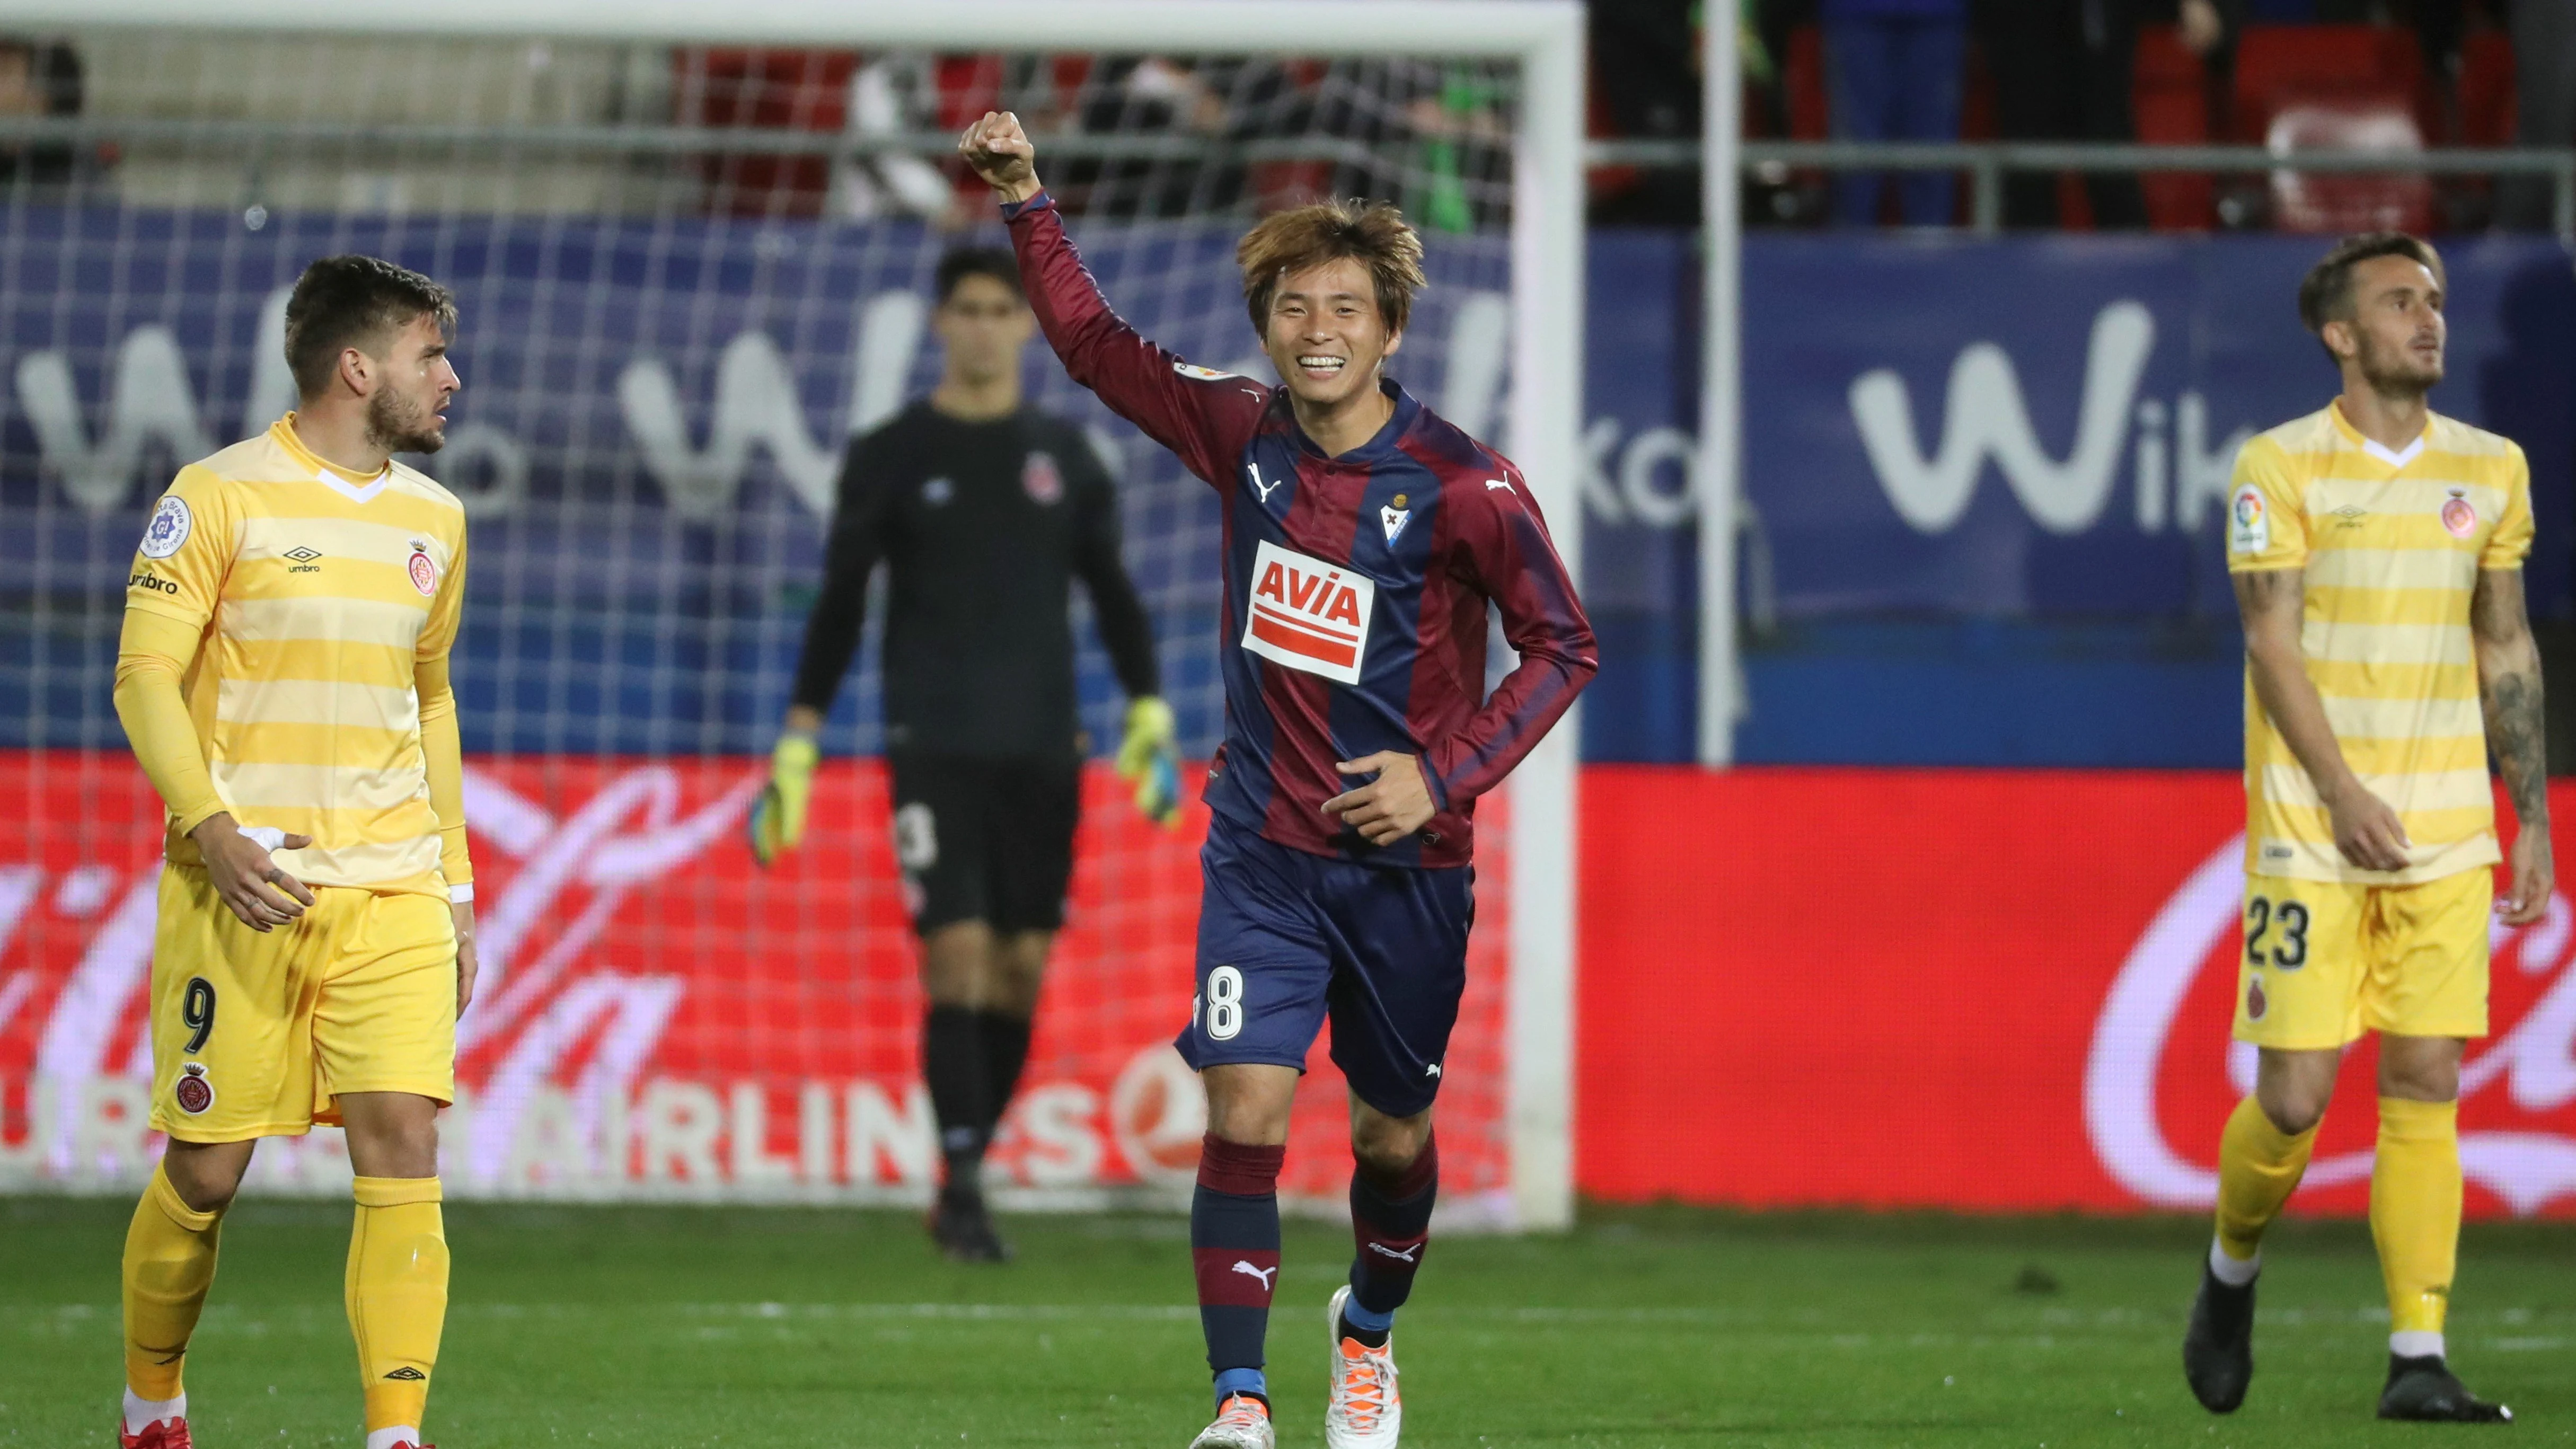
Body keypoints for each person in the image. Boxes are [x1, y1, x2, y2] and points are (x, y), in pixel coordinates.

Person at [958, 111, 1598, 1449]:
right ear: (1266, 324)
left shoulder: (1467, 484)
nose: (1318, 327)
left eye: (1346, 307)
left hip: (1406, 870)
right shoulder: (1241, 431)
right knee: (1247, 1097)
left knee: (1389, 1138)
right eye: (1294, 304)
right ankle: (1239, 1405)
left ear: (1390, 329)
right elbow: (1092, 346)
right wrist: (1027, 200)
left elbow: (1562, 643)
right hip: (1260, 851)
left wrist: (1446, 775)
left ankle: (1363, 1334)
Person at [751, 245, 1179, 1262]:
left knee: (1022, 968)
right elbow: (844, 601)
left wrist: (1149, 708)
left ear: (1025, 325)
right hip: (932, 743)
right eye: (969, 310)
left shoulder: (1066, 459)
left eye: (1002, 309)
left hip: (1045, 742)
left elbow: (1114, 591)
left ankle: (965, 1167)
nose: (985, 327)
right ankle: (969, 1185)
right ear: (940, 321)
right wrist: (800, 738)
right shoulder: (891, 451)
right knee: (958, 954)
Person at [111, 254, 476, 1449]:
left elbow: (430, 699)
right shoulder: (218, 496)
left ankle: (396, 1431)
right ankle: (152, 1395)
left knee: (403, 1138)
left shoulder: (437, 520)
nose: (451, 379)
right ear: (356, 365)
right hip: (247, 884)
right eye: (431, 355)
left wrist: (456, 884)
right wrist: (209, 826)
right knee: (208, 1171)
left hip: (395, 885)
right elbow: (145, 675)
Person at [2186, 231, 2544, 1426]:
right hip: (2310, 828)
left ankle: (2418, 1351)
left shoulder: (2492, 468)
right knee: (2293, 1100)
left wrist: (2529, 811)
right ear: (2341, 335)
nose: (2427, 319)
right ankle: (2232, 1266)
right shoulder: (2277, 468)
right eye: (2399, 302)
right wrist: (2341, 790)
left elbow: (2506, 642)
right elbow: (2270, 641)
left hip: (2447, 823)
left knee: (2427, 1073)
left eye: (2435, 299)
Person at [1822, 0, 1966, 226]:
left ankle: (1932, 249)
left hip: (1936, 14)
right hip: (1857, 14)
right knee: (1858, 148)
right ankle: (1850, 249)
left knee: (1931, 146)